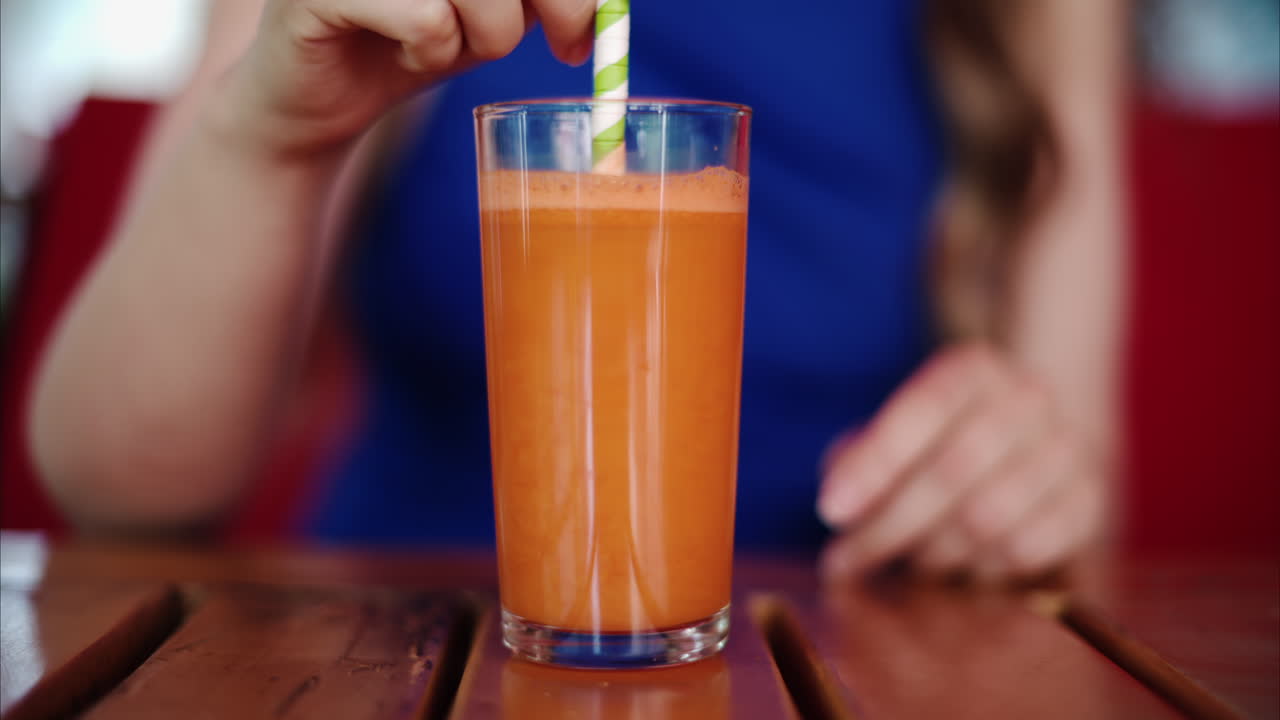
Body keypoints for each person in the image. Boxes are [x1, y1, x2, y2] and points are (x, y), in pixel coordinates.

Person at [28, 0, 1127, 581]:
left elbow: (1074, 479)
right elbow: (114, 485)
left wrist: (1022, 471)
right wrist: (274, 131)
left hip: (850, 652)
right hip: (406, 647)